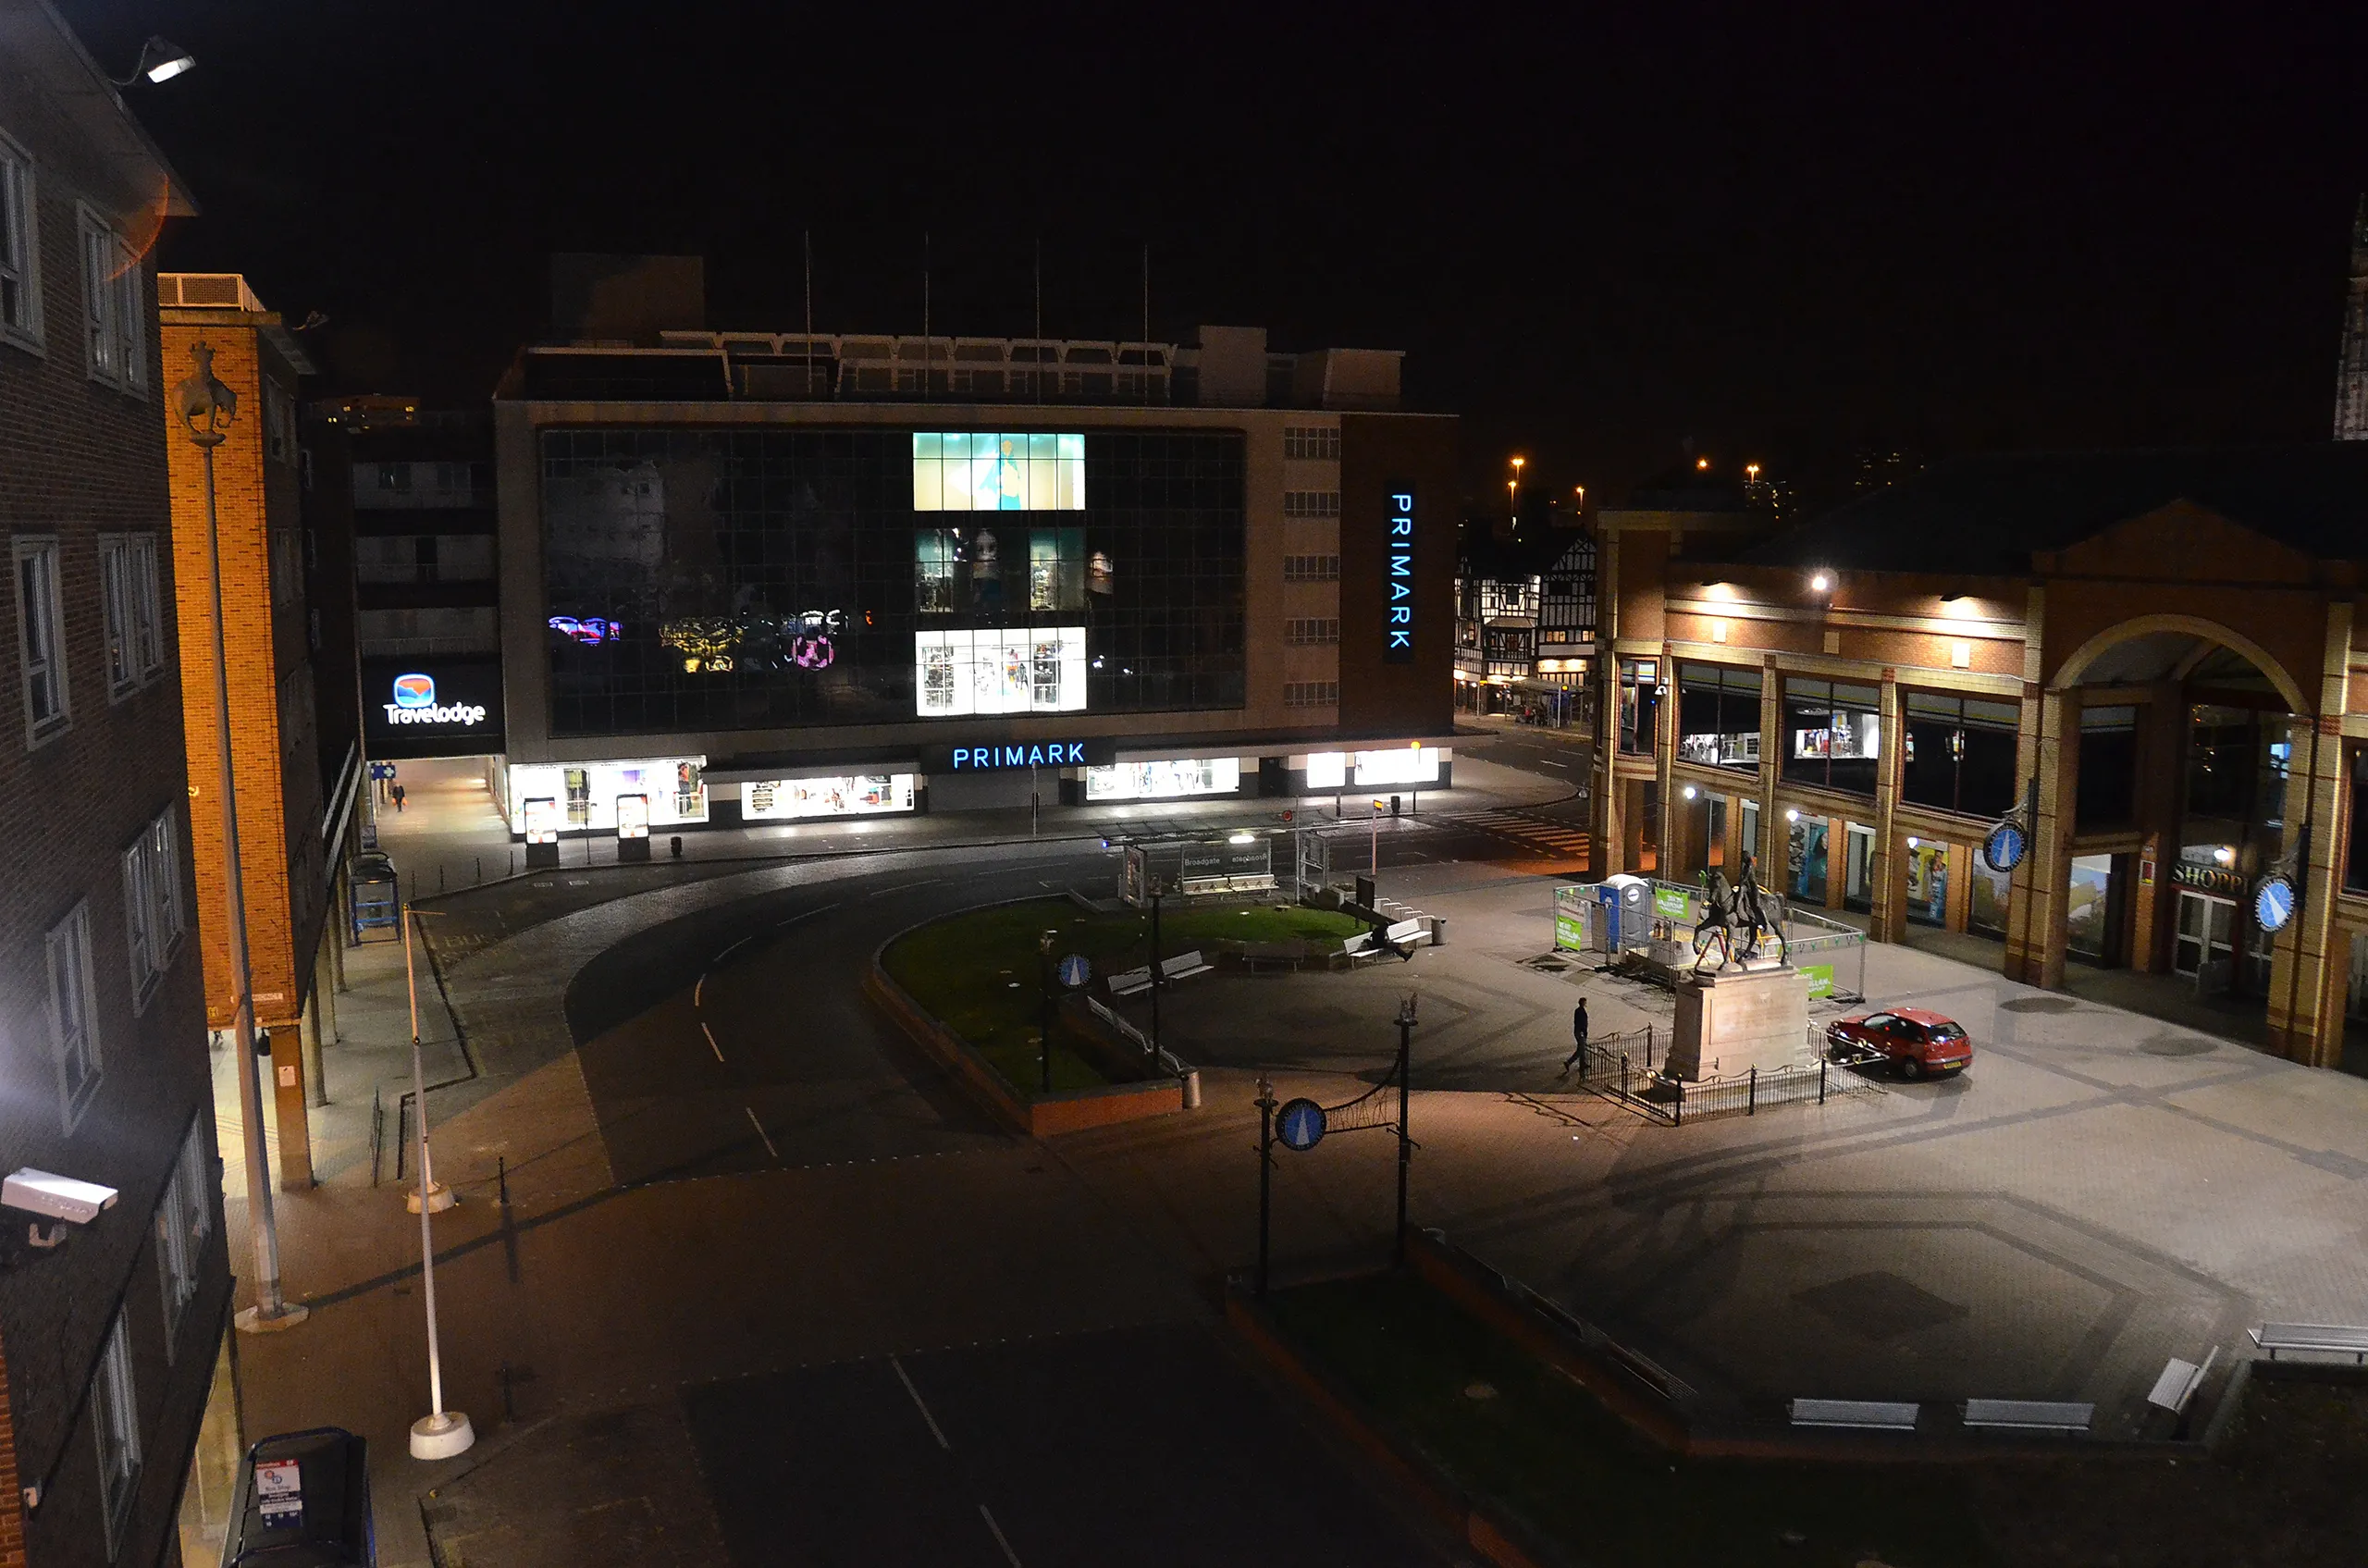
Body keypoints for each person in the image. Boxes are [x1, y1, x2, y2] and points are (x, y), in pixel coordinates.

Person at [1561, 997, 1589, 1072]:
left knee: (1582, 1048)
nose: (1586, 1003)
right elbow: (1580, 1023)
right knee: (1581, 1049)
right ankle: (1569, 1062)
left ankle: (1583, 1063)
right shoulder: (1580, 1011)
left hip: (1580, 1032)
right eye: (1585, 1002)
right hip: (1580, 1033)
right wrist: (1582, 1032)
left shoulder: (1579, 1010)